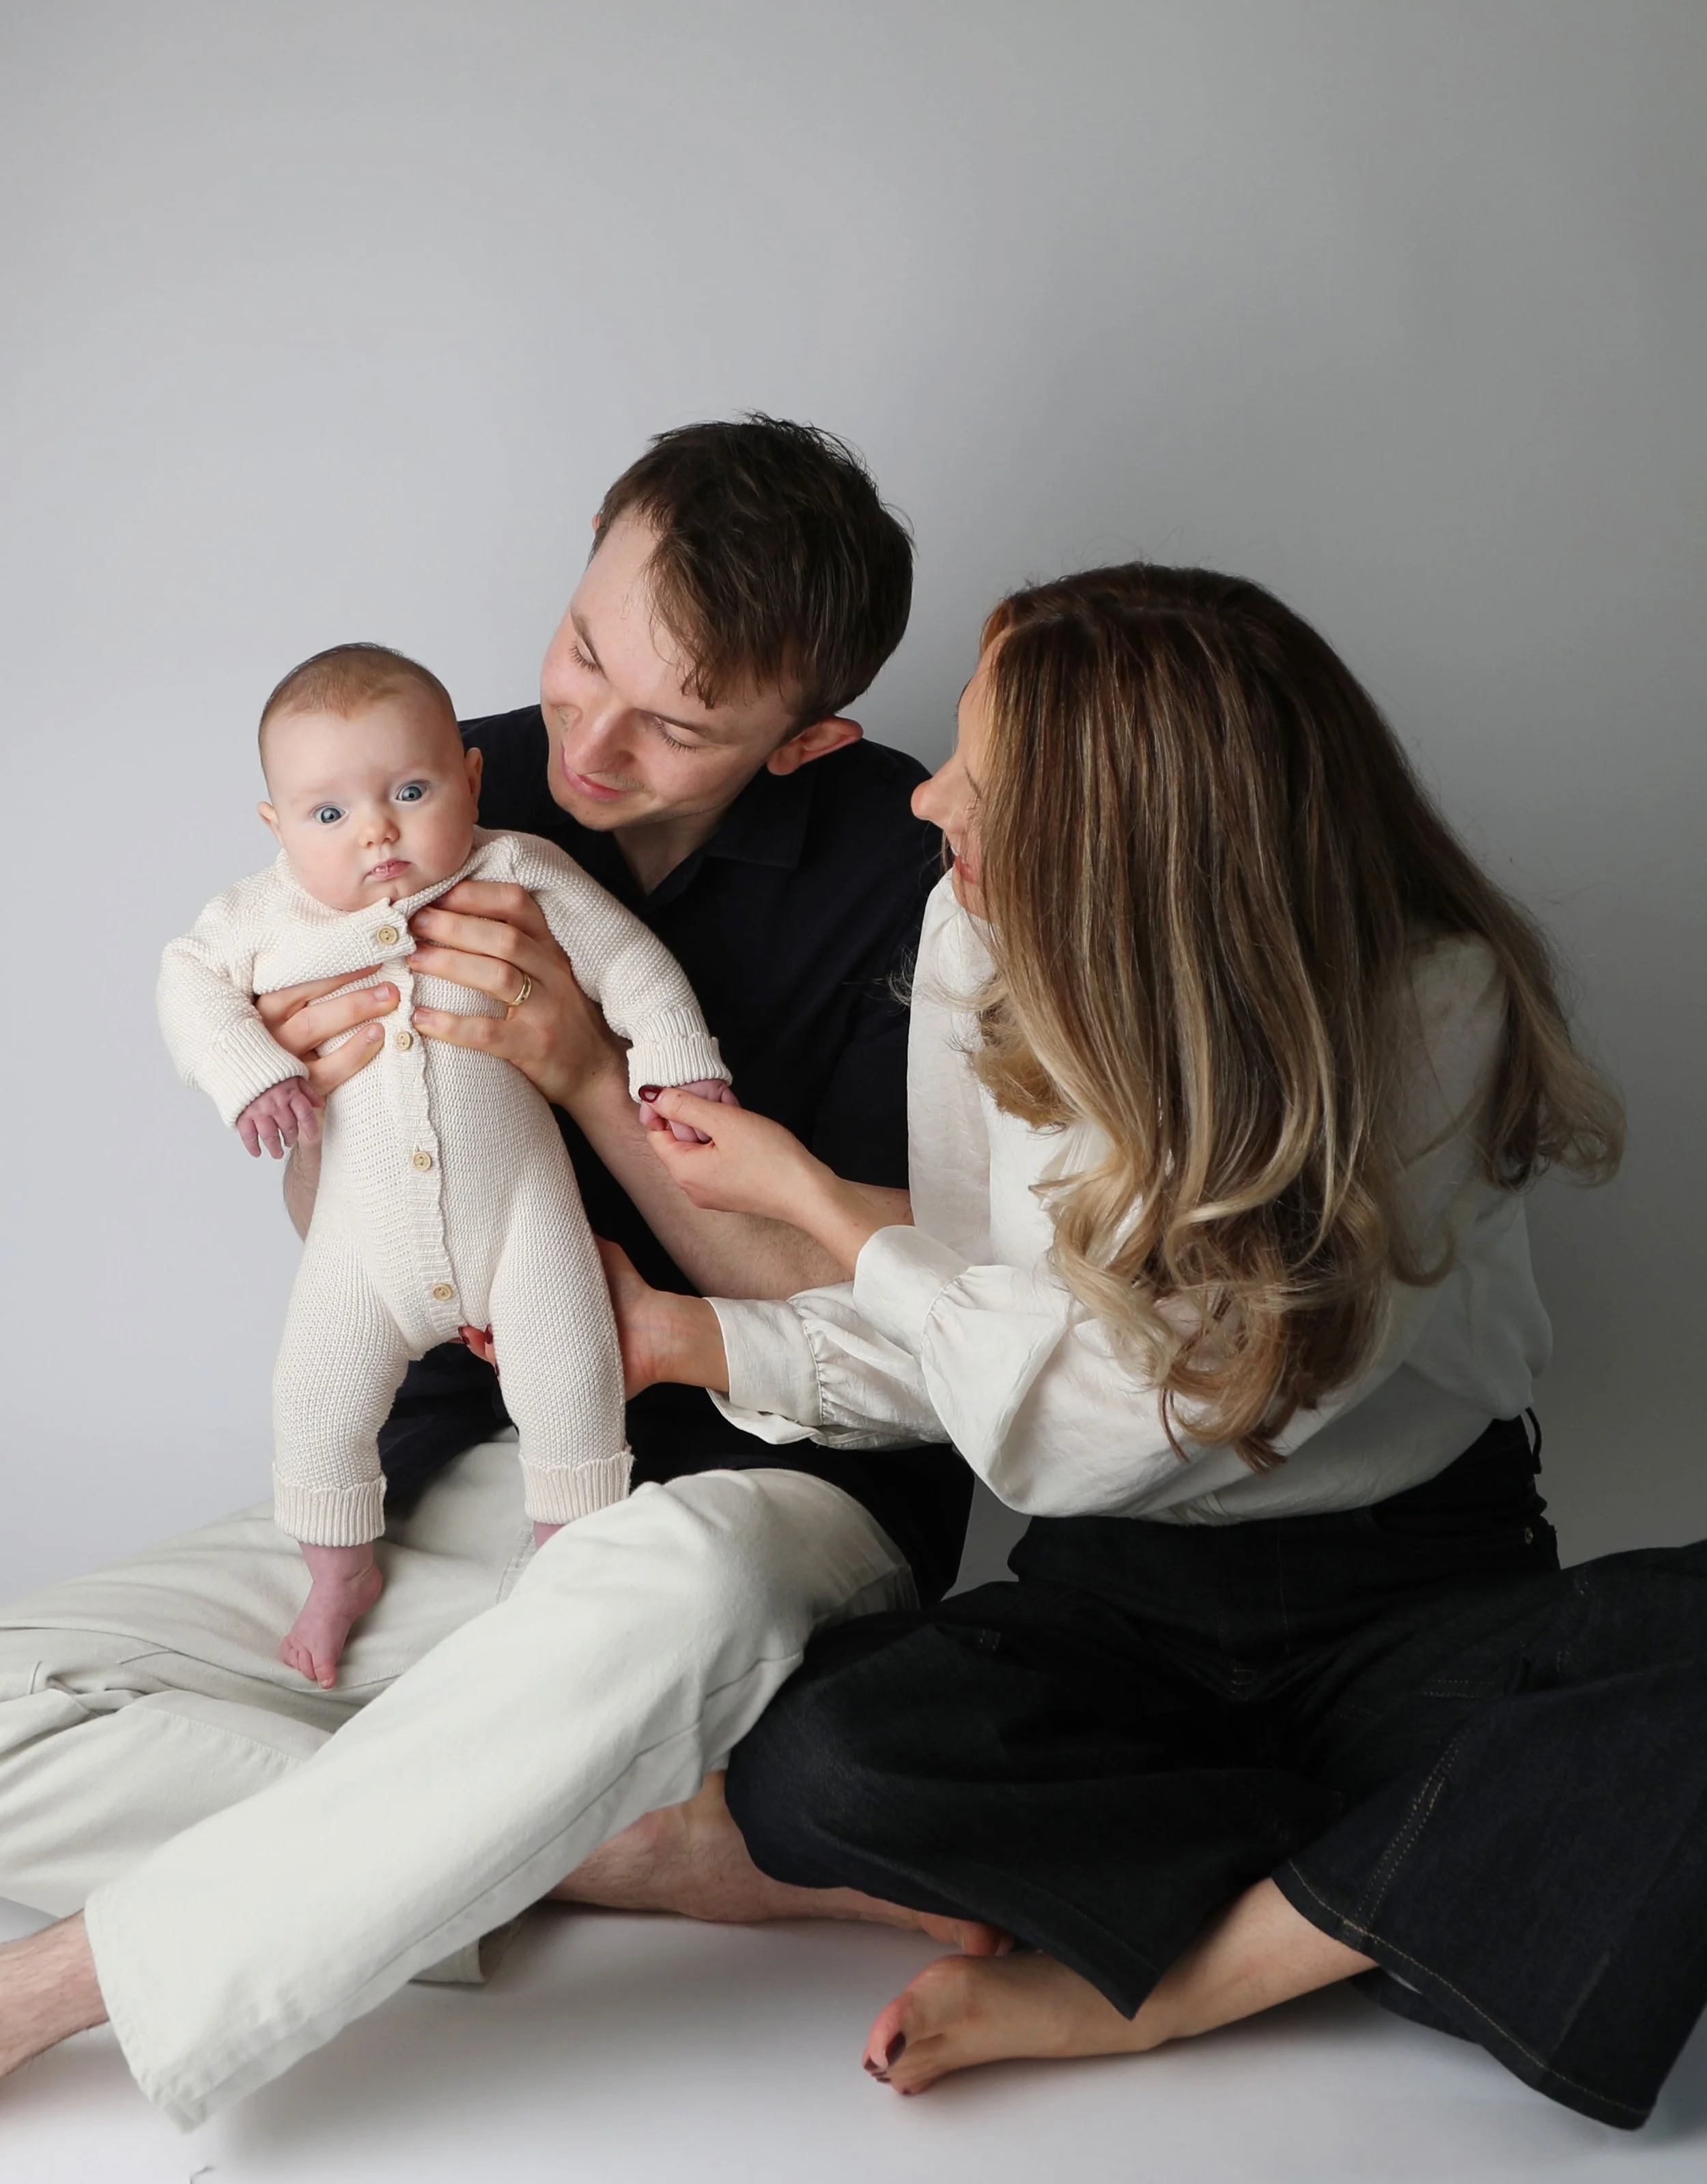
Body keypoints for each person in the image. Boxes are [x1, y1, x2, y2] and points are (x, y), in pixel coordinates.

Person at [605, 564, 1701, 2129]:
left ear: (1125, 831)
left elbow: (1136, 1405)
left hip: (1414, 1593)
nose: (929, 799)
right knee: (824, 1766)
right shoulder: (980, 936)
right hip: (1122, 1601)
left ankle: (1171, 1977)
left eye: (981, 771)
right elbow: (994, 1346)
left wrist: (826, 1212)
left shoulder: (1424, 1005)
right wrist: (692, 1341)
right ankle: (1416, 1871)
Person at [0, 418, 982, 2120]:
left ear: (805, 732)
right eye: (583, 651)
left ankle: (58, 1988)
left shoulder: (915, 884)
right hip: (461, 1462)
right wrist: (312, 1107)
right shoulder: (434, 780)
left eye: (679, 725)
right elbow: (368, 1237)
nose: (584, 742)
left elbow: (891, 1322)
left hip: (760, 1480)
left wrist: (593, 1075)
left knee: (675, 1590)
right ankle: (594, 1838)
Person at [160, 641, 732, 1685]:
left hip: (520, 1217)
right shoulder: (259, 918)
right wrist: (250, 1071)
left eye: (411, 790)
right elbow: (187, 982)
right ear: (277, 827)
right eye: (327, 814)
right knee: (314, 1406)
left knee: (574, 1374)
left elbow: (633, 965)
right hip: (359, 1248)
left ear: (470, 779)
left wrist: (680, 1067)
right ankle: (338, 1574)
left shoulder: (517, 869)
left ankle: (570, 1557)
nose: (376, 829)